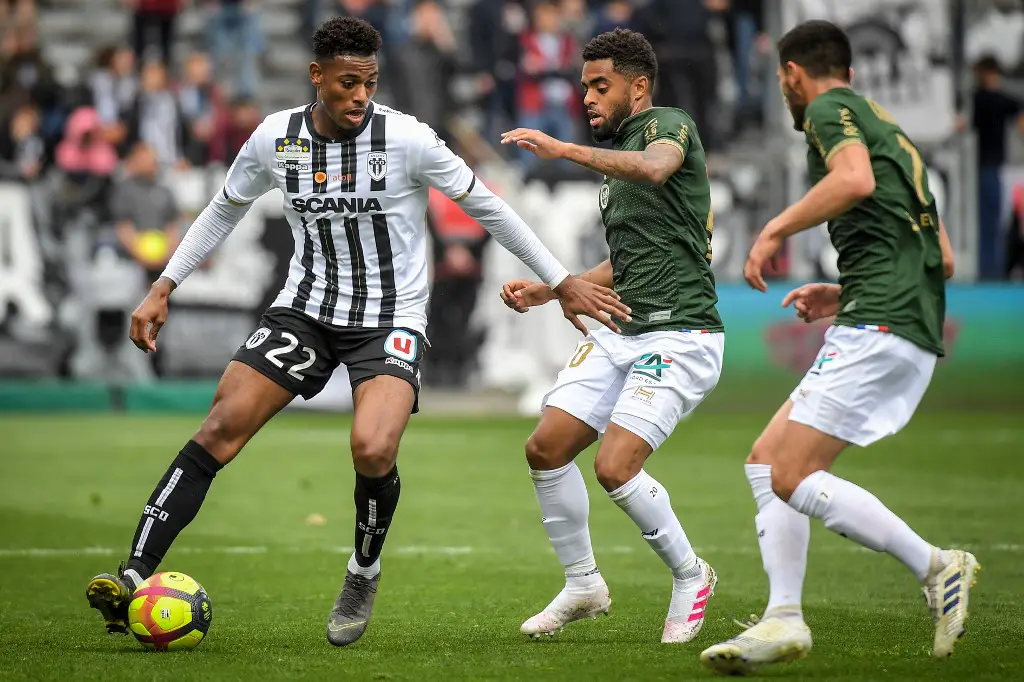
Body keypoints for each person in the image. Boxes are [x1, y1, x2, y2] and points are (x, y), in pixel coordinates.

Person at [84, 16, 628, 648]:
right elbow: (223, 209)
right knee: (219, 428)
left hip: (390, 317)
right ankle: (132, 574)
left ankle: (362, 569)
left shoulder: (408, 139)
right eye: (347, 83)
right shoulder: (275, 139)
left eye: (369, 82)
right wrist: (163, 285)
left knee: (372, 450)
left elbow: (491, 208)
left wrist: (560, 280)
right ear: (316, 77)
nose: (360, 96)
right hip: (306, 309)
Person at [699, 21, 975, 675]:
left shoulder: (829, 110)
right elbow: (942, 257)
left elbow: (850, 182)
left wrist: (774, 228)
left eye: (778, 79)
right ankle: (784, 618)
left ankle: (937, 567)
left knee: (791, 475)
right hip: (889, 316)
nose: (783, 90)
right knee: (767, 463)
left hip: (882, 327)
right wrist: (845, 293)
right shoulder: (891, 134)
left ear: (794, 73)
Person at [498, 28, 722, 643]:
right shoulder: (618, 159)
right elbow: (631, 257)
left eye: (602, 86)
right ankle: (582, 584)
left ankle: (690, 573)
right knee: (545, 448)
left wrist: (564, 150)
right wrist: (553, 289)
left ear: (639, 86)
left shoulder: (666, 127)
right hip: (623, 327)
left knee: (616, 466)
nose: (590, 98)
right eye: (585, 87)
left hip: (680, 332)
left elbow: (656, 169)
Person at [969, 56, 1024, 280]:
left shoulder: (982, 98)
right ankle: (991, 272)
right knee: (991, 223)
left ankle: (990, 271)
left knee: (990, 223)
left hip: (989, 167)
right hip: (989, 167)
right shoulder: (993, 99)